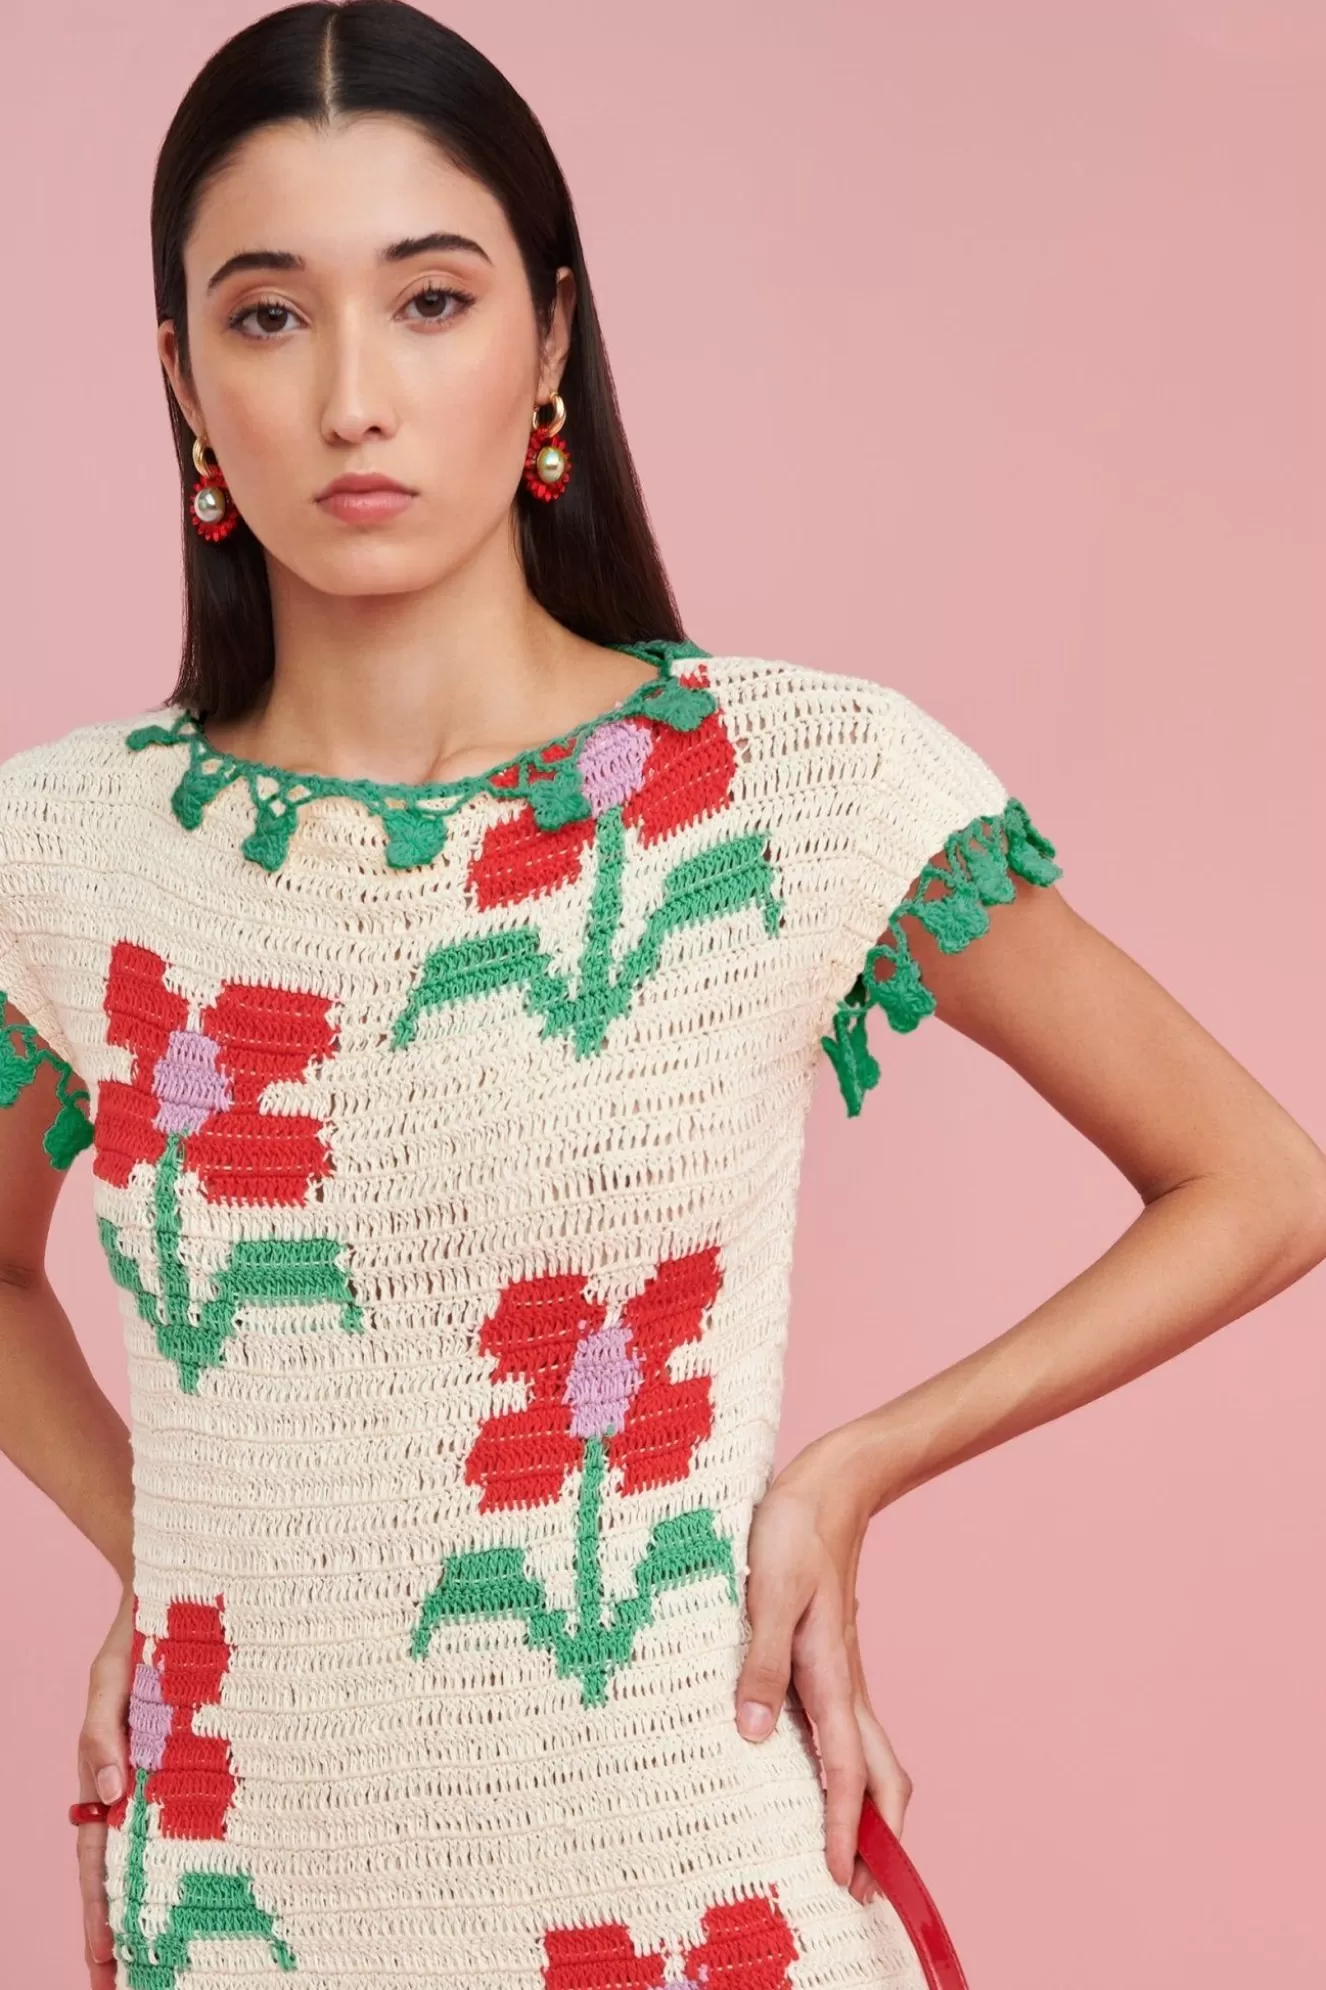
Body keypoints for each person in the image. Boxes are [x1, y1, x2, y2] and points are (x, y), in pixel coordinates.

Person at [2, 5, 1323, 1988]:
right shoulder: (67, 851)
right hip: (249, 1903)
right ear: (183, 378)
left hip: (692, 1895)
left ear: (548, 339)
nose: (354, 396)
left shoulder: (785, 789)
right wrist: (179, 1543)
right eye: (269, 317)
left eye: (429, 301)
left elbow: (1261, 1181)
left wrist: (851, 1472)